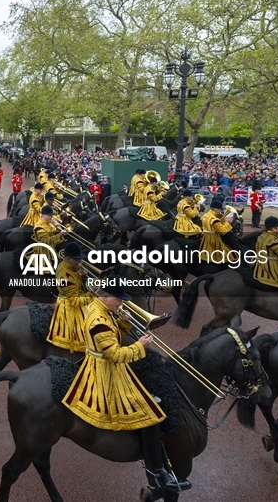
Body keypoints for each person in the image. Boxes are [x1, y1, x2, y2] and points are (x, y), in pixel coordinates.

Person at [62, 283, 185, 495]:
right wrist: (140, 346)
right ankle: (155, 472)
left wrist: (123, 323)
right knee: (149, 413)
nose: (121, 303)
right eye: (118, 299)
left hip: (104, 363)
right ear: (106, 297)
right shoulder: (99, 320)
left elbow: (112, 336)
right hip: (104, 372)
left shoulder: (101, 309)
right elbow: (115, 355)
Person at [46, 242, 95, 351]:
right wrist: (93, 293)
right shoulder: (64, 275)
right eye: (77, 259)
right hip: (69, 306)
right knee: (87, 336)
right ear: (68, 259)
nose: (80, 262)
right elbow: (75, 301)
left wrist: (84, 275)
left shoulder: (71, 267)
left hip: (78, 296)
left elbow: (78, 284)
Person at [199, 198, 233, 264]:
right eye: (220, 209)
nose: (220, 211)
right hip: (213, 239)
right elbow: (222, 231)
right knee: (229, 254)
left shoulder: (205, 215)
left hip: (205, 237)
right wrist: (227, 223)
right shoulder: (214, 219)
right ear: (215, 209)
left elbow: (213, 225)